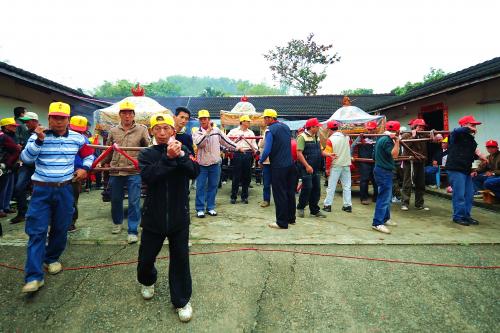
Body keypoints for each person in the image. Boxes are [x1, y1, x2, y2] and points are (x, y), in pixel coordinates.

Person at [20, 102, 94, 293]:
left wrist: (84, 168)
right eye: (54, 118)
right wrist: (39, 140)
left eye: (62, 118)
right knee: (37, 231)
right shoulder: (36, 136)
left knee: (61, 227)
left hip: (64, 189)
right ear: (49, 119)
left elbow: (89, 155)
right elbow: (27, 159)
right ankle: (34, 277)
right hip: (41, 190)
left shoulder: (78, 138)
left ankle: (51, 258)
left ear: (68, 120)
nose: (58, 122)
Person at [136, 113, 199, 322]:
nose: (162, 133)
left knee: (180, 259)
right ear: (152, 131)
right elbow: (150, 176)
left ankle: (181, 300)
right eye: (158, 128)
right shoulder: (146, 154)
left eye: (166, 128)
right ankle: (148, 280)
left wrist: (180, 156)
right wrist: (169, 158)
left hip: (179, 216)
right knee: (146, 259)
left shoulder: (184, 149)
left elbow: (194, 171)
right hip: (153, 216)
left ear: (173, 131)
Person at [101, 101, 150, 243]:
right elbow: (109, 151)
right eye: (124, 113)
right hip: (116, 170)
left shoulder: (142, 129)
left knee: (134, 201)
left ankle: (132, 230)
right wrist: (102, 162)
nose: (127, 116)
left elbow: (147, 149)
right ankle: (117, 223)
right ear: (120, 115)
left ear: (134, 115)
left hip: (134, 171)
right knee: (115, 199)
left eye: (130, 113)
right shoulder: (113, 131)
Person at [192, 109, 241, 218]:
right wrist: (208, 132)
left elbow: (226, 141)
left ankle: (210, 207)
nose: (203, 121)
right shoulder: (196, 132)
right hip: (202, 165)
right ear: (199, 120)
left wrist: (237, 147)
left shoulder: (217, 130)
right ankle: (200, 208)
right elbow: (200, 144)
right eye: (201, 119)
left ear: (209, 119)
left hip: (215, 163)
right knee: (200, 186)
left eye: (205, 118)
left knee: (213, 186)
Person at [258, 109, 296, 229]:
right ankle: (291, 218)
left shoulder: (270, 130)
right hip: (290, 164)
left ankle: (281, 222)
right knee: (289, 192)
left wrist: (260, 160)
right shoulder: (285, 127)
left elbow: (267, 149)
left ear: (270, 118)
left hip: (279, 166)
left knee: (279, 194)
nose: (264, 120)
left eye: (265, 118)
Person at [446, 115, 483, 226]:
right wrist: (468, 128)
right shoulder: (456, 135)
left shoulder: (470, 139)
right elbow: (456, 130)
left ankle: (466, 216)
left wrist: (481, 157)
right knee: (459, 194)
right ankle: (458, 217)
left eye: (474, 125)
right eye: (472, 125)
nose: (474, 127)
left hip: (466, 169)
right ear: (464, 125)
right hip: (455, 168)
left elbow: (470, 154)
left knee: (469, 194)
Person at [371, 121, 401, 234]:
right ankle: (377, 223)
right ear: (397, 131)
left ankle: (385, 218)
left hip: (380, 169)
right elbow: (394, 154)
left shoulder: (381, 138)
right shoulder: (388, 140)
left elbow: (373, 156)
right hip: (384, 171)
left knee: (387, 197)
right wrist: (397, 141)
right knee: (384, 198)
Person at [10, 112, 39, 224]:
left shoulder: (44, 132)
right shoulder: (24, 133)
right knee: (19, 187)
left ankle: (38, 212)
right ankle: (22, 213)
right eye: (24, 121)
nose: (25, 123)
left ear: (35, 121)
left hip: (39, 166)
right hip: (26, 165)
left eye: (28, 121)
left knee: (39, 189)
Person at [296, 118, 328, 218]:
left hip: (315, 168)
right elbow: (299, 153)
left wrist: (329, 154)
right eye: (317, 126)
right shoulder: (302, 137)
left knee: (316, 189)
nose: (319, 127)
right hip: (306, 168)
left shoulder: (316, 137)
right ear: (312, 127)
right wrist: (307, 166)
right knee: (307, 188)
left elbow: (320, 151)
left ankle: (314, 210)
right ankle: (300, 207)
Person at [67, 115, 91, 232]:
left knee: (72, 199)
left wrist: (85, 168)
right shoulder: (62, 137)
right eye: (75, 130)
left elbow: (90, 155)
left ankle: (71, 222)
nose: (77, 133)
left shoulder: (84, 140)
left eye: (80, 131)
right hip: (59, 173)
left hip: (76, 173)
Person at [323, 120, 352, 213]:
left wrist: (327, 168)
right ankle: (347, 206)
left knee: (331, 186)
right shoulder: (347, 137)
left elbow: (328, 155)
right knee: (347, 186)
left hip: (335, 165)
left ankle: (327, 205)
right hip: (346, 164)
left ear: (329, 129)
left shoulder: (330, 139)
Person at [227, 115, 258, 204]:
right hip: (237, 154)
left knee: (246, 176)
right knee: (236, 176)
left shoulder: (251, 133)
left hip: (248, 154)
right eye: (247, 121)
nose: (249, 123)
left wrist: (256, 151)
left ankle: (244, 197)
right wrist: (236, 141)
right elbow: (227, 142)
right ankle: (233, 197)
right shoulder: (233, 132)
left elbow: (254, 144)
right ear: (242, 122)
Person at [400, 118, 430, 211]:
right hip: (410, 162)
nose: (422, 128)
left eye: (423, 127)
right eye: (420, 126)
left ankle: (419, 204)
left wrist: (436, 135)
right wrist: (413, 136)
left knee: (421, 184)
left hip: (420, 161)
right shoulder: (406, 134)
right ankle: (405, 203)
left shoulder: (423, 135)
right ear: (414, 127)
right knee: (407, 183)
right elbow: (406, 145)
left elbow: (433, 136)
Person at [350, 121, 378, 204]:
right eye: (368, 129)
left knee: (375, 180)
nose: (370, 131)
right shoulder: (361, 136)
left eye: (371, 129)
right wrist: (351, 156)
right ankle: (363, 198)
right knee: (364, 179)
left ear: (375, 129)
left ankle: (376, 197)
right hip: (363, 161)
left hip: (374, 161)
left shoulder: (378, 137)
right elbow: (352, 146)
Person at [0, 118, 21, 217]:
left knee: (9, 187)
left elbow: (16, 149)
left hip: (10, 165)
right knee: (3, 187)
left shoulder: (12, 136)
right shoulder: (4, 136)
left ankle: (6, 207)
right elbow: (16, 149)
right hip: (6, 165)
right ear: (6, 126)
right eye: (13, 126)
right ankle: (1, 208)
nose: (15, 128)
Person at [258, 129, 272, 207]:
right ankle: (266, 200)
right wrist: (261, 160)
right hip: (266, 162)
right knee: (266, 183)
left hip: (276, 162)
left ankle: (279, 199)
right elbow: (261, 146)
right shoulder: (266, 134)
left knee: (278, 183)